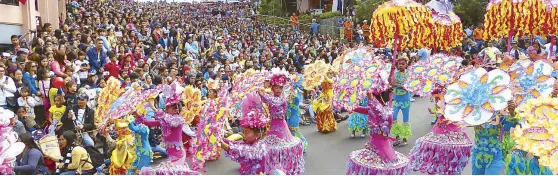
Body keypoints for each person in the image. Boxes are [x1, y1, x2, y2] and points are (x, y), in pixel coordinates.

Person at [137, 81, 199, 175]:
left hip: (178, 154)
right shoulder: (164, 120)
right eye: (169, 108)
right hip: (170, 153)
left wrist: (154, 108)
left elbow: (170, 121)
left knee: (170, 172)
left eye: (176, 108)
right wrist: (136, 113)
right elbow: (148, 123)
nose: (176, 109)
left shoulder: (178, 120)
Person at [408, 91, 472, 175]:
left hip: (453, 129)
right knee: (441, 156)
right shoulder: (442, 94)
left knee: (451, 156)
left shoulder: (457, 94)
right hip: (442, 129)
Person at [347, 92, 410, 175]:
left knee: (383, 167)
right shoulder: (379, 108)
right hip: (374, 142)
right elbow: (366, 109)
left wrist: (370, 95)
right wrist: (354, 107)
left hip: (381, 145)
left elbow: (374, 107)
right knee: (376, 166)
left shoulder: (384, 111)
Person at [256, 68, 304, 175]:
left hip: (282, 125)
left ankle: (284, 168)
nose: (278, 89)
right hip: (272, 125)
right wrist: (259, 94)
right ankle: (272, 167)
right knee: (270, 148)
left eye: (280, 87)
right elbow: (264, 101)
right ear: (272, 88)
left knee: (283, 148)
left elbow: (276, 102)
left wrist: (262, 94)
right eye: (276, 87)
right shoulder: (269, 97)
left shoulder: (283, 97)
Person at [220, 93, 270, 174]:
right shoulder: (249, 142)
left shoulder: (259, 147)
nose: (243, 135)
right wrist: (221, 138)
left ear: (257, 135)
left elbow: (239, 150)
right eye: (243, 132)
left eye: (247, 133)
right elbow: (235, 143)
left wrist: (222, 144)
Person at [391, 57, 412, 147]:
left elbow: (409, 85)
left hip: (405, 100)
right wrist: (390, 73)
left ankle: (405, 138)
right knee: (393, 117)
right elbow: (391, 83)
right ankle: (397, 137)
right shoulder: (394, 73)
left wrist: (402, 86)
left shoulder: (409, 74)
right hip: (396, 99)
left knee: (405, 119)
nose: (401, 65)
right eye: (399, 63)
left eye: (403, 64)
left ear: (406, 65)